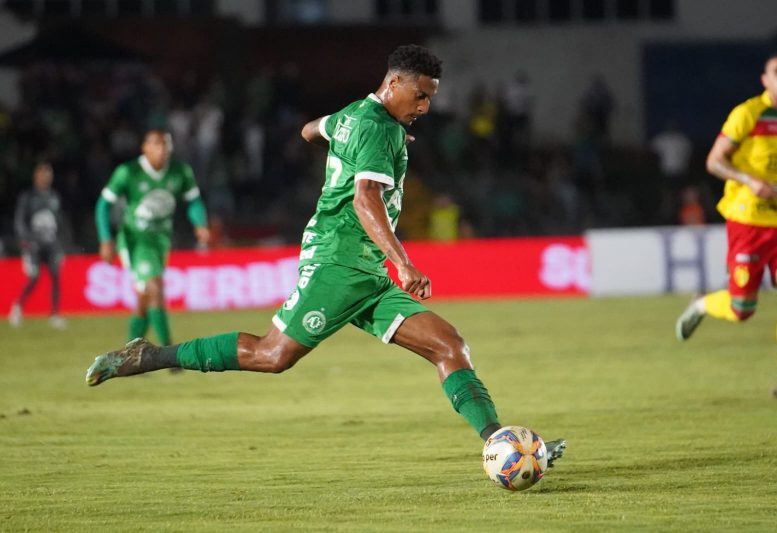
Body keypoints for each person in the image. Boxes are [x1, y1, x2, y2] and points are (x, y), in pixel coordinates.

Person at [84, 45, 566, 464]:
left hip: (365, 271)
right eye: (419, 95)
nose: (424, 105)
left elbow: (311, 130)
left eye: (430, 98)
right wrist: (404, 262)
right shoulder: (379, 129)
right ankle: (149, 356)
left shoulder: (358, 115)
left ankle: (502, 442)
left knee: (449, 345)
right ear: (393, 82)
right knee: (272, 355)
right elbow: (364, 200)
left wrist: (351, 139)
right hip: (339, 262)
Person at [675, 52, 777, 399]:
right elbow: (715, 161)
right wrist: (750, 180)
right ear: (765, 80)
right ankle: (702, 304)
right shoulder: (748, 114)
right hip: (749, 223)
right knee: (742, 308)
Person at [95, 129, 210, 346]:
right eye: (156, 144)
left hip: (161, 241)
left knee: (144, 299)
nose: (162, 149)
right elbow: (103, 205)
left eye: (165, 144)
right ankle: (170, 354)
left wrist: (200, 224)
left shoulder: (180, 171)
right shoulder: (128, 172)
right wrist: (105, 238)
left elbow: (194, 201)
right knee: (155, 288)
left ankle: (128, 356)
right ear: (144, 148)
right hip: (135, 239)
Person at [8, 162, 67, 329]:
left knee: (56, 277)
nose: (46, 178)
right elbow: (19, 220)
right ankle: (18, 307)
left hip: (51, 244)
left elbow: (59, 221)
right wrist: (25, 240)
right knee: (34, 277)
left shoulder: (54, 196)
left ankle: (55, 314)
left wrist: (60, 244)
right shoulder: (27, 197)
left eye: (49, 175)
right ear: (36, 176)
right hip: (33, 244)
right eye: (43, 175)